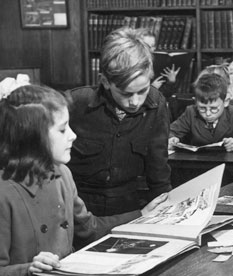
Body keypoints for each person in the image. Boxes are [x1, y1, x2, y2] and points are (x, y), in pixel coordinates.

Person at [0, 84, 167, 276]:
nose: (73, 136)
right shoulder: (4, 194)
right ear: (32, 138)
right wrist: (27, 269)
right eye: (63, 130)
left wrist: (142, 214)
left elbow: (89, 229)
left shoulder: (62, 174)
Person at [66, 27, 171, 216]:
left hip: (130, 206)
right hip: (78, 207)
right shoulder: (75, 103)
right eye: (125, 93)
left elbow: (158, 168)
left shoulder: (156, 103)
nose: (135, 102)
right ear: (105, 81)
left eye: (143, 90)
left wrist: (166, 211)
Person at [168, 73, 233, 152]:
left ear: (226, 101)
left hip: (230, 167)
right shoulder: (191, 112)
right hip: (198, 165)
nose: (208, 113)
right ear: (196, 102)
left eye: (214, 108)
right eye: (202, 108)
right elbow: (170, 132)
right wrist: (172, 139)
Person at [138, 28, 180, 100]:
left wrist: (171, 82)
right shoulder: (132, 65)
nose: (152, 49)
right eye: (148, 46)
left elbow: (164, 96)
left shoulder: (154, 63)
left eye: (153, 46)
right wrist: (151, 89)